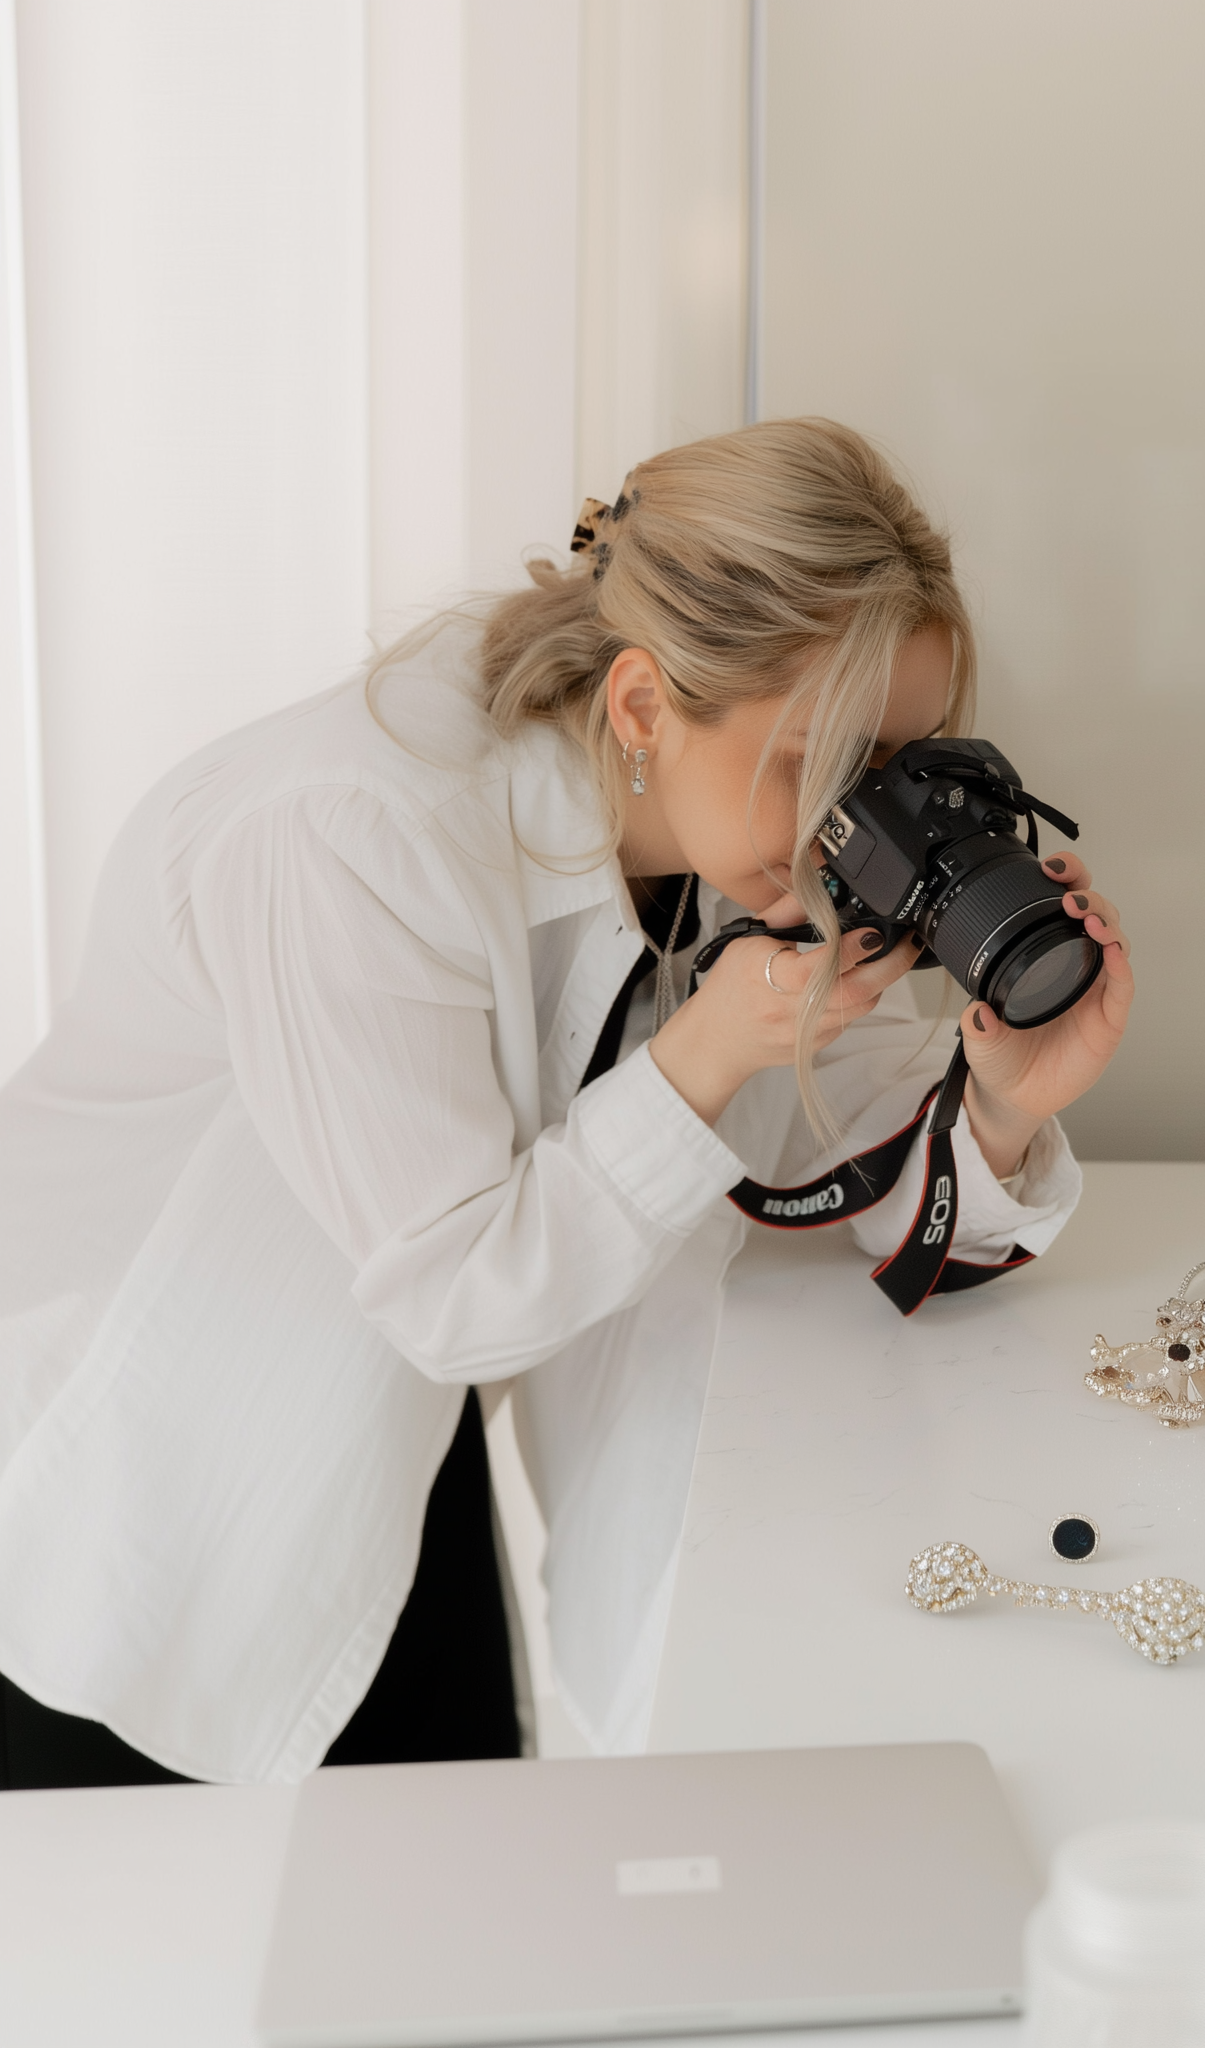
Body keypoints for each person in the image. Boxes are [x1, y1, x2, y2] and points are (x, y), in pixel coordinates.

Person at [0, 419, 1131, 1788]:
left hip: (384, 1452)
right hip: (126, 1480)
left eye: (888, 764)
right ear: (647, 704)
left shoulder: (733, 839)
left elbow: (853, 1152)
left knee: (450, 1933)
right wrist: (703, 1060)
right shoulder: (343, 835)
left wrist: (1001, 1099)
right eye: (813, 761)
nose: (858, 822)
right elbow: (455, 1293)